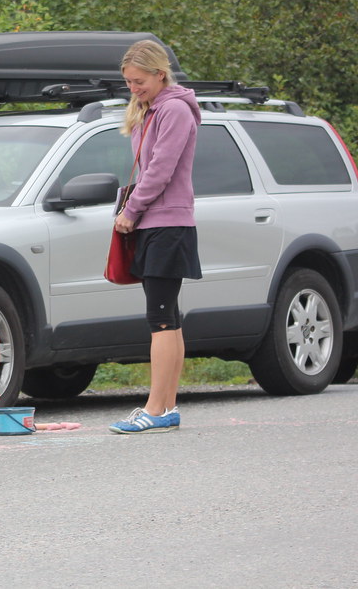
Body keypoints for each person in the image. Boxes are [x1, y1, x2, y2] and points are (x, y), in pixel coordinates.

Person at [109, 39, 202, 434]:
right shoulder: (150, 111)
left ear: (160, 73)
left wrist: (130, 212)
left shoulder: (175, 110)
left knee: (160, 318)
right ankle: (166, 406)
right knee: (170, 318)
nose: (133, 88)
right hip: (157, 223)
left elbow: (160, 170)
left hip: (167, 223)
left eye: (139, 81)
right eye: (128, 82)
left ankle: (155, 408)